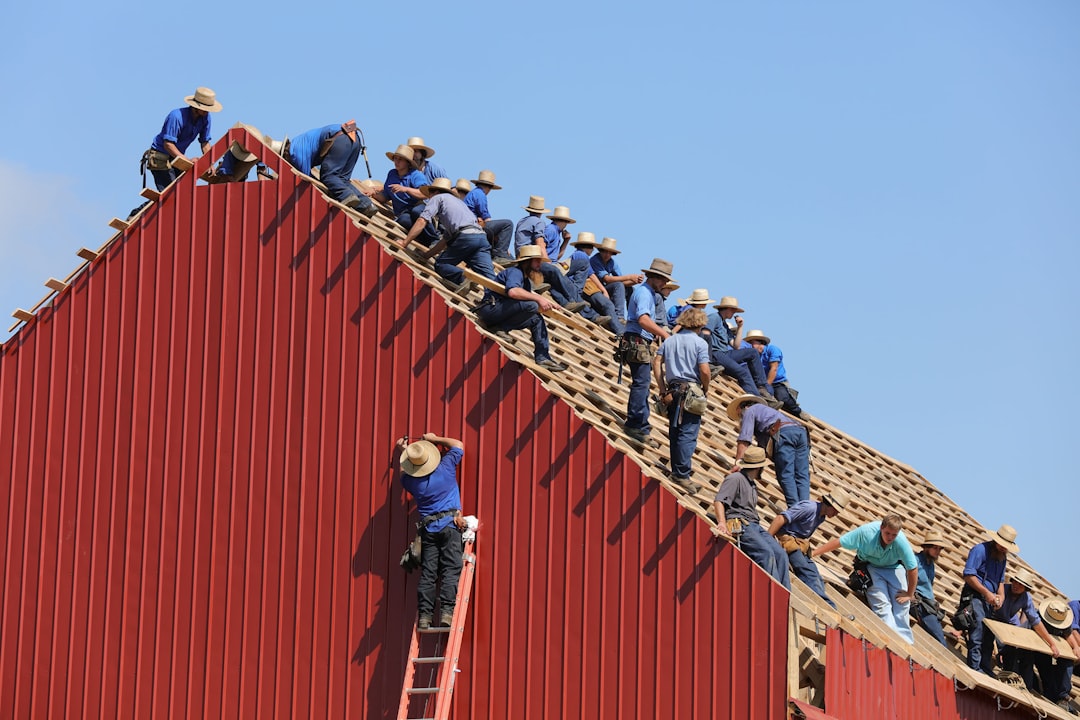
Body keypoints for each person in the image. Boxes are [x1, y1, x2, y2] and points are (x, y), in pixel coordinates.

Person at [396, 433, 468, 629]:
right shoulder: (445, 469)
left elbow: (403, 472)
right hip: (450, 526)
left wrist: (405, 451)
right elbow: (458, 444)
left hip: (428, 530)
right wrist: (435, 438)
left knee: (429, 574)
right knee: (450, 570)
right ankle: (446, 613)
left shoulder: (412, 483)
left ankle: (426, 617)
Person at [812, 515, 919, 644]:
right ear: (881, 528)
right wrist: (813, 553)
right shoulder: (866, 532)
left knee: (901, 605)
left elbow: (912, 568)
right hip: (871, 566)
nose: (890, 538)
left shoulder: (901, 541)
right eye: (887, 533)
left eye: (894, 535)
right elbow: (839, 542)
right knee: (882, 604)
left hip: (894, 568)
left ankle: (906, 643)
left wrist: (909, 593)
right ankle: (890, 641)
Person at [474, 245, 567, 372]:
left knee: (536, 318)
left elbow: (527, 294)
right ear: (528, 261)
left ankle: (543, 357)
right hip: (491, 310)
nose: (540, 264)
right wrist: (539, 299)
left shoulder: (525, 280)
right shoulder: (515, 272)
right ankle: (499, 328)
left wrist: (548, 302)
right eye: (537, 260)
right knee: (532, 305)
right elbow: (513, 292)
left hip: (500, 312)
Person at [711, 446, 791, 589]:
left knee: (781, 555)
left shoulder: (752, 484)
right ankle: (771, 593)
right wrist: (722, 523)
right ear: (759, 467)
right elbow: (719, 501)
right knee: (766, 554)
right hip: (741, 525)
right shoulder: (735, 479)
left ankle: (784, 595)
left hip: (754, 525)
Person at [402, 177, 495, 291]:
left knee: (441, 265)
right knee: (490, 280)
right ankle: (500, 301)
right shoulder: (459, 205)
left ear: (435, 191)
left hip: (465, 238)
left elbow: (422, 220)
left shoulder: (437, 198)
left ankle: (464, 278)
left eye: (430, 193)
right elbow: (445, 240)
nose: (429, 196)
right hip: (481, 238)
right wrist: (427, 255)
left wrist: (404, 243)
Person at [653, 307, 710, 486]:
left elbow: (656, 361)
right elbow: (704, 370)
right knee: (687, 433)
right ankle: (682, 474)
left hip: (672, 389)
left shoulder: (670, 341)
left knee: (675, 431)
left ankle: (677, 471)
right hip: (691, 390)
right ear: (700, 324)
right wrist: (705, 388)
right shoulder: (700, 343)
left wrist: (662, 389)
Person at [620, 259, 674, 445]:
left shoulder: (649, 293)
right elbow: (643, 320)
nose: (665, 284)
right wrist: (664, 335)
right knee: (641, 384)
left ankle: (640, 424)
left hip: (639, 341)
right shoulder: (644, 293)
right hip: (637, 341)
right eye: (663, 280)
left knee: (642, 383)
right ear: (655, 277)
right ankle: (635, 424)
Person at [767, 489, 851, 607]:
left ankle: (824, 602)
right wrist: (767, 539)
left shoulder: (821, 516)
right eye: (836, 510)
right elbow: (781, 518)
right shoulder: (809, 508)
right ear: (830, 504)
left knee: (815, 573)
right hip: (788, 542)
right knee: (806, 571)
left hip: (798, 544)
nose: (836, 514)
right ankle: (825, 605)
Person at [726, 394, 811, 508]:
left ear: (741, 408)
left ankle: (795, 510)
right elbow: (762, 451)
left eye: (738, 414)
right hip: (801, 432)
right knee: (802, 475)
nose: (739, 417)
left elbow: (744, 440)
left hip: (784, 434)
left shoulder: (750, 411)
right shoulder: (768, 413)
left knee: (786, 475)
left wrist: (738, 464)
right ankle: (805, 508)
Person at [512, 197, 590, 314]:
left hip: (538, 260)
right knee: (562, 273)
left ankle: (571, 302)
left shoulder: (529, 222)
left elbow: (556, 256)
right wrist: (547, 262)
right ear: (565, 221)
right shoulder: (548, 228)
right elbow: (540, 245)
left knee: (555, 280)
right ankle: (574, 298)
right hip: (537, 260)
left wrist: (565, 241)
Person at [960, 524, 1018, 673]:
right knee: (978, 628)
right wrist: (987, 593)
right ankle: (974, 666)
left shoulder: (1002, 558)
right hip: (974, 595)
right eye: (1002, 546)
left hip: (988, 601)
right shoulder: (980, 550)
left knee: (989, 634)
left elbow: (1000, 581)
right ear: (996, 541)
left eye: (1006, 547)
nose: (1003, 549)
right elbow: (968, 575)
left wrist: (1001, 596)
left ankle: (985, 667)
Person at [286, 121, 376, 215]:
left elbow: (306, 179)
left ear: (285, 153)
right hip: (354, 139)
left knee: (328, 176)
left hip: (340, 139)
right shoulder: (300, 142)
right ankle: (367, 205)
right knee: (342, 179)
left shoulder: (295, 153)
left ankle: (346, 195)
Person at [142, 86, 223, 191]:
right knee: (172, 194)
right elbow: (168, 144)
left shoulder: (205, 118)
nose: (207, 112)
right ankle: (141, 209)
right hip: (160, 155)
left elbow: (205, 142)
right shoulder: (176, 116)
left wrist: (210, 163)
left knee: (184, 192)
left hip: (177, 157)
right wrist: (188, 161)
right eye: (205, 109)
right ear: (196, 107)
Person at [705, 297, 776, 403]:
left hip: (725, 353)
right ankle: (757, 401)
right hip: (715, 354)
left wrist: (740, 327)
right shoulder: (714, 317)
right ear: (727, 308)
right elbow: (705, 334)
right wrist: (707, 357)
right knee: (742, 372)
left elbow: (736, 346)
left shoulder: (724, 324)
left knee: (752, 352)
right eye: (733, 310)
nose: (734, 313)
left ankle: (761, 388)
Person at [992, 570, 1061, 677]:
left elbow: (1035, 621)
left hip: (1009, 624)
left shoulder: (1026, 598)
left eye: (1020, 585)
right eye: (1015, 582)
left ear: (1026, 588)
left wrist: (1051, 643)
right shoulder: (1003, 590)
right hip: (993, 619)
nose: (1016, 586)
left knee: (1014, 649)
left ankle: (1010, 672)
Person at [369, 145, 440, 246]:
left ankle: (434, 238)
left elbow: (425, 194)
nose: (397, 162)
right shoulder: (392, 174)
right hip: (403, 213)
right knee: (403, 220)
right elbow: (386, 196)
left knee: (416, 211)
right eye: (395, 159)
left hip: (418, 208)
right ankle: (423, 240)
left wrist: (405, 189)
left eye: (400, 160)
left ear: (408, 162)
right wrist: (373, 194)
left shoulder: (416, 175)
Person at [1017, 598, 1074, 706]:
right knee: (1026, 664)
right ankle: (1029, 687)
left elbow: (1068, 634)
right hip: (1031, 650)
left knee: (1053, 671)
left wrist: (1075, 647)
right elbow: (1021, 635)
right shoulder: (1035, 617)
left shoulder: (1062, 618)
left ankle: (1058, 697)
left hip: (1047, 653)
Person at [562, 232, 618, 332]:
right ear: (587, 247)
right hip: (573, 287)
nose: (592, 250)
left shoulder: (577, 254)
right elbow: (591, 274)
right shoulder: (583, 256)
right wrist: (603, 290)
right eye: (592, 247)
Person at [744, 329, 804, 418]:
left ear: (758, 342)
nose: (750, 346)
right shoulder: (756, 356)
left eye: (751, 343)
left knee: (783, 399)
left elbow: (774, 369)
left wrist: (767, 385)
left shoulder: (772, 349)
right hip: (764, 383)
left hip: (778, 382)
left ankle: (798, 411)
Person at [462, 170, 514, 265]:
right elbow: (485, 216)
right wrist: (497, 235)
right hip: (472, 226)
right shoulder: (480, 194)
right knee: (508, 224)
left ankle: (499, 253)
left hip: (469, 225)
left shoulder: (474, 193)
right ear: (489, 187)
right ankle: (500, 254)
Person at [910, 531, 950, 646]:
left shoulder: (931, 564)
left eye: (940, 549)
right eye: (935, 548)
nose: (938, 552)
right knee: (941, 643)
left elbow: (929, 586)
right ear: (926, 547)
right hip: (920, 605)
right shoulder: (915, 560)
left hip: (929, 605)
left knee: (939, 639)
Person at [590, 237, 643, 324]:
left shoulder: (612, 263)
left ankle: (633, 319)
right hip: (595, 290)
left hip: (604, 289)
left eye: (609, 252)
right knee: (618, 285)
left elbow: (622, 283)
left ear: (612, 253)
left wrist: (634, 281)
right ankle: (619, 316)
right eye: (605, 251)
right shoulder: (595, 260)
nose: (607, 254)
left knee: (630, 290)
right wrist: (630, 277)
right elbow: (607, 279)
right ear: (600, 251)